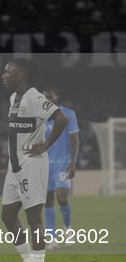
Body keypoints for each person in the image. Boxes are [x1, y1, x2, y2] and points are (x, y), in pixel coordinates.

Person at [1, 58, 68, 262]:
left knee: (33, 217)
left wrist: (46, 144)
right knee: (7, 215)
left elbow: (62, 118)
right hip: (15, 167)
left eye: (8, 71)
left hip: (32, 164)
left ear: (20, 75)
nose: (3, 75)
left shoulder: (36, 98)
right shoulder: (13, 98)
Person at [42, 85, 80, 250]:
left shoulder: (68, 114)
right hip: (43, 164)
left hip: (63, 163)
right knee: (48, 201)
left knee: (62, 197)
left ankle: (68, 230)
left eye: (50, 97)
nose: (48, 100)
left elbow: (75, 139)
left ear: (57, 96)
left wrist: (73, 162)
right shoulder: (40, 116)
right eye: (45, 97)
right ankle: (52, 238)